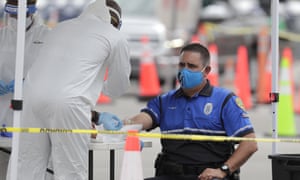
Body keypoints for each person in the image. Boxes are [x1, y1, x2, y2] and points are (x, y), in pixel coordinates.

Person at [12, 0, 131, 179]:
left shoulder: (61, 27)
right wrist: (96, 88)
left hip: (31, 98)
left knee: (26, 166)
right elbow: (118, 86)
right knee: (71, 170)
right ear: (117, 22)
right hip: (69, 105)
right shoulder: (115, 36)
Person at [126, 43, 258, 180]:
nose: (184, 71)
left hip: (208, 176)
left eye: (192, 66)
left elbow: (250, 143)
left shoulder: (225, 100)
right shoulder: (164, 101)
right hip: (170, 174)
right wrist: (128, 123)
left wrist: (223, 170)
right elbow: (145, 118)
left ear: (206, 71)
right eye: (182, 65)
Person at [0, 0, 50, 179]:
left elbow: (54, 77)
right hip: (3, 120)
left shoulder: (47, 37)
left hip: (34, 122)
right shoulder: (2, 37)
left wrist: (30, 84)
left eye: (19, 14)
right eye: (12, 14)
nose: (15, 19)